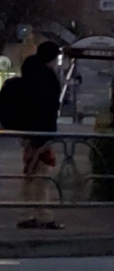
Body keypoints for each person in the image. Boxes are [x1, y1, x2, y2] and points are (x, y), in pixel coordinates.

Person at [17, 41, 63, 230]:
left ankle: (29, 214)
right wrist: (46, 136)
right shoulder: (45, 77)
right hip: (41, 134)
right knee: (41, 177)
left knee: (31, 174)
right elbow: (47, 108)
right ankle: (40, 215)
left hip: (28, 132)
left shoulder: (29, 72)